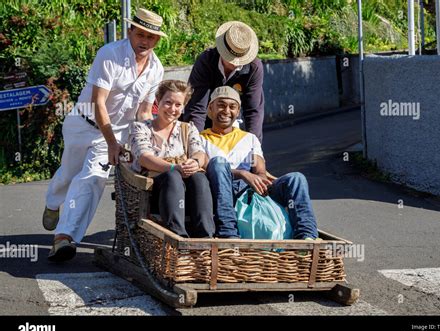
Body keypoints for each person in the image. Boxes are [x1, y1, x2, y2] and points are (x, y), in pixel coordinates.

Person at [43, 8, 166, 262]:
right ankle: (53, 202)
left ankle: (64, 237)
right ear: (130, 31)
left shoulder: (156, 69)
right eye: (140, 34)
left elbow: (144, 111)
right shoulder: (109, 54)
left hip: (117, 131)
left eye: (151, 37)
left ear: (158, 40)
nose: (144, 41)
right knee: (68, 173)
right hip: (83, 123)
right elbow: (99, 104)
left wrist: (144, 142)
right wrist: (112, 142)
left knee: (92, 178)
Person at [201, 86, 318, 240]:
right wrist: (243, 174)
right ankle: (228, 234)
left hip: (249, 191)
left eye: (232, 107)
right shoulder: (200, 138)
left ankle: (307, 236)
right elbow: (207, 168)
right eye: (221, 105)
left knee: (296, 178)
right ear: (211, 108)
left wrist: (259, 179)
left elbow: (260, 170)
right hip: (220, 191)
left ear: (238, 111)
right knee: (218, 163)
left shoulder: (249, 138)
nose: (226, 111)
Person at [129, 80, 214, 238]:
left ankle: (205, 237)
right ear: (158, 101)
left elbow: (199, 153)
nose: (172, 109)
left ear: (183, 107)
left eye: (178, 105)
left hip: (186, 190)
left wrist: (194, 162)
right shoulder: (141, 128)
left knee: (199, 178)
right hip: (153, 190)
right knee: (173, 176)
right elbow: (144, 157)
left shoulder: (187, 128)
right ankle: (178, 237)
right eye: (168, 103)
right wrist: (173, 168)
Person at [183, 21, 265, 143]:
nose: (234, 63)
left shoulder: (254, 68)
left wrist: (255, 148)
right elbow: (197, 108)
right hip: (204, 122)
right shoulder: (206, 61)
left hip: (232, 123)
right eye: (230, 58)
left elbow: (253, 111)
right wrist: (194, 145)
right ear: (222, 50)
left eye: (239, 59)